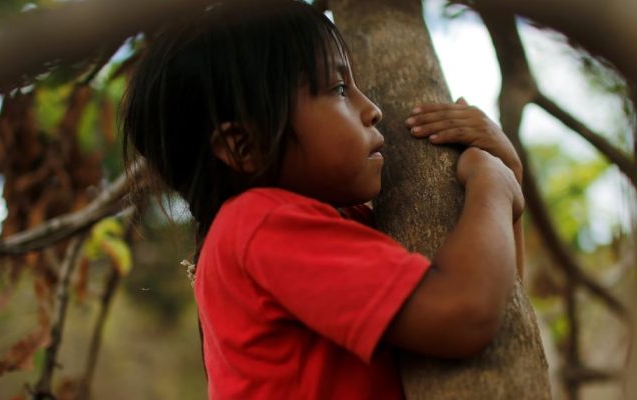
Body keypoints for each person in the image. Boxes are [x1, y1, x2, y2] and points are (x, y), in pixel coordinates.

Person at [122, 1, 524, 399]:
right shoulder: (258, 225)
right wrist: (493, 186)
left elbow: (504, 303)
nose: (372, 110)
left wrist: (509, 177)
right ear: (245, 146)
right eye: (337, 89)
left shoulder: (328, 223)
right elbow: (465, 313)